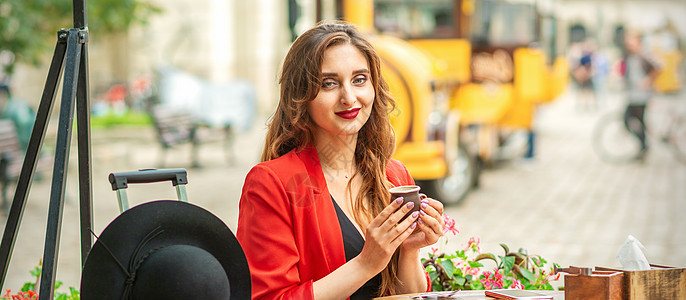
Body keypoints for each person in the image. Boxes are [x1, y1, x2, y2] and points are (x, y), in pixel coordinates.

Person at [236, 21, 445, 299]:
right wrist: (366, 263)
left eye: (360, 79)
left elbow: (407, 295)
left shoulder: (394, 176)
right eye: (329, 83)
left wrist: (409, 249)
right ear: (301, 98)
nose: (349, 97)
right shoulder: (271, 183)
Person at [621, 31, 661, 160]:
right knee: (635, 121)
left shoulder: (644, 54)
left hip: (641, 96)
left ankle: (644, 146)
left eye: (631, 41)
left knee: (631, 119)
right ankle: (644, 146)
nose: (629, 44)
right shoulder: (630, 56)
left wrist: (648, 80)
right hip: (633, 94)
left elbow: (659, 66)